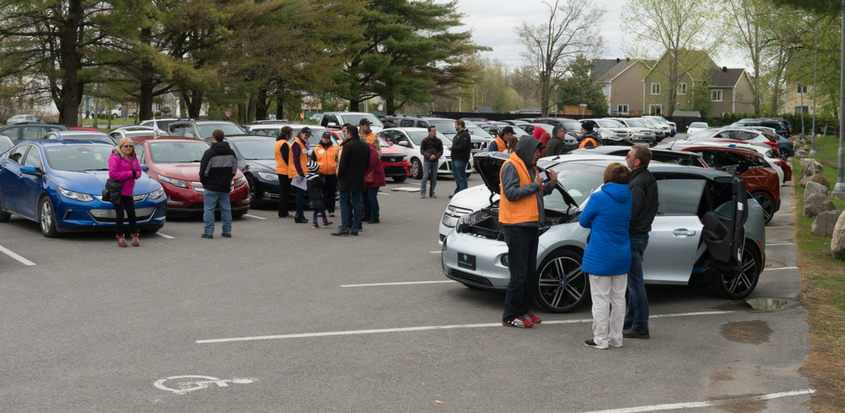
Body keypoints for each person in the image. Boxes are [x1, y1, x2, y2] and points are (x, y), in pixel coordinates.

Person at [499, 136, 558, 328]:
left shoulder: (530, 168)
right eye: (536, 152)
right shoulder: (511, 166)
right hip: (516, 226)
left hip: (531, 226)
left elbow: (537, 193)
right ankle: (510, 316)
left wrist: (550, 184)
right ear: (526, 150)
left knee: (528, 273)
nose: (538, 156)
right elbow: (511, 194)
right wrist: (535, 185)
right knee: (518, 275)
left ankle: (523, 311)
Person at [579, 163, 633, 349]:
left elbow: (583, 221)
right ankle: (616, 339)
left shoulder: (598, 197)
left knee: (601, 299)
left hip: (600, 255)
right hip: (622, 254)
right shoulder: (628, 197)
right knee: (618, 299)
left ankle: (600, 340)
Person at [624, 144, 659, 339]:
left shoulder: (638, 183)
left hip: (634, 236)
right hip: (640, 235)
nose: (625, 158)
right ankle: (630, 321)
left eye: (628, 156)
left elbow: (631, 212)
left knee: (635, 284)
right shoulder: (646, 178)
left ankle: (640, 326)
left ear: (637, 161)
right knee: (633, 283)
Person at [199, 129, 238, 239]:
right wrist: (228, 178)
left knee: (209, 209)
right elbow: (234, 170)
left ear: (213, 138)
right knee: (226, 209)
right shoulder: (231, 152)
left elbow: (203, 172)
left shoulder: (209, 153)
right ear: (223, 137)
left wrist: (204, 182)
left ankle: (209, 232)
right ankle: (227, 231)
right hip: (225, 185)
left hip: (211, 186)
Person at [332, 125, 370, 236]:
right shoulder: (365, 146)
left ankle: (344, 227)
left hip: (346, 178)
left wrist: (340, 176)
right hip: (359, 178)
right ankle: (355, 228)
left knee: (343, 201)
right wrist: (361, 173)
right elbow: (367, 164)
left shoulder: (347, 146)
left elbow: (343, 164)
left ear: (349, 134)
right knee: (357, 202)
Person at [108, 137, 142, 247]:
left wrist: (134, 174)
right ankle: (120, 236)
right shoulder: (115, 157)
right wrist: (129, 174)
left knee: (132, 214)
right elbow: (113, 174)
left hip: (129, 191)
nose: (128, 148)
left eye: (130, 146)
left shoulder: (133, 157)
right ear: (121, 146)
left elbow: (139, 172)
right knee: (120, 214)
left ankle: (134, 235)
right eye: (126, 146)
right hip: (118, 191)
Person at [310, 132, 338, 218]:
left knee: (331, 193)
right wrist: (314, 172)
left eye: (327, 138)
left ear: (330, 139)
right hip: (320, 174)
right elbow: (312, 161)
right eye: (324, 137)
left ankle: (331, 211)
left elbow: (338, 160)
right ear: (321, 138)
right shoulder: (316, 149)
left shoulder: (334, 149)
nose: (326, 139)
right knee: (320, 193)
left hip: (332, 174)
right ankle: (319, 210)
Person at [289, 127, 312, 223]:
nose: (307, 137)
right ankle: (298, 214)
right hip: (298, 173)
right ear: (301, 133)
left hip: (302, 172)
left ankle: (300, 214)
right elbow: (296, 160)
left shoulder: (302, 143)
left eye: (308, 135)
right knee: (300, 194)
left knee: (301, 194)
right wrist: (301, 173)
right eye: (306, 135)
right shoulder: (297, 143)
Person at [363, 137, 386, 223]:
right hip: (368, 178)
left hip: (375, 177)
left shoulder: (371, 150)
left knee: (371, 197)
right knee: (365, 197)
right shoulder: (367, 149)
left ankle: (375, 216)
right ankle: (367, 215)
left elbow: (371, 164)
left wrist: (362, 174)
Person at [447, 119, 471, 197]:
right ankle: (458, 193)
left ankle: (464, 194)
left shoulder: (465, 135)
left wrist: (452, 148)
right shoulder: (457, 135)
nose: (455, 126)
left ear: (460, 125)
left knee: (461, 177)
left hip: (460, 159)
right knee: (457, 178)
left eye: (456, 125)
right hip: (454, 159)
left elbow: (463, 147)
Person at [306, 160, 332, 228]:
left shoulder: (308, 177)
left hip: (312, 196)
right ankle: (325, 221)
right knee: (322, 208)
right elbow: (322, 184)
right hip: (318, 195)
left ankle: (314, 223)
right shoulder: (316, 178)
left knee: (316, 209)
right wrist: (323, 179)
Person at [275, 126, 293, 218]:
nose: (292, 135)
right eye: (291, 133)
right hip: (284, 170)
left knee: (284, 191)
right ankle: (283, 212)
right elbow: (287, 158)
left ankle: (283, 211)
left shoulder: (279, 142)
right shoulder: (284, 144)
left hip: (280, 168)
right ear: (287, 134)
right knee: (285, 192)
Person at [419, 126, 442, 198]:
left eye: (435, 131)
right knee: (425, 176)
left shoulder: (438, 141)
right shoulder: (425, 141)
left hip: (435, 161)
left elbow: (441, 151)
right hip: (427, 161)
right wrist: (429, 155)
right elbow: (422, 151)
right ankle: (423, 192)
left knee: (434, 177)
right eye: (433, 131)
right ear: (429, 132)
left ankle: (432, 192)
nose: (435, 132)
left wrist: (436, 156)